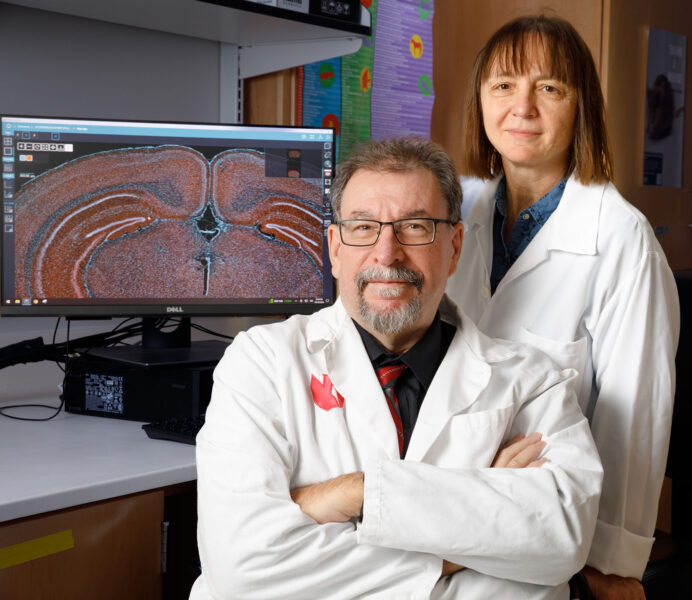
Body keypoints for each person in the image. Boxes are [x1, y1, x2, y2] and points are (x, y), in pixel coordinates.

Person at [190, 137, 603, 599]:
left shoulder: (532, 383)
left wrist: (354, 496)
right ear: (334, 247)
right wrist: (474, 538)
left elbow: (562, 539)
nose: (386, 254)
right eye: (363, 228)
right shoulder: (260, 363)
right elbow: (242, 568)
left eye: (414, 226)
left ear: (454, 246)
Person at [445, 15, 680, 599]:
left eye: (549, 88)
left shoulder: (621, 239)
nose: (522, 107)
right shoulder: (458, 211)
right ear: (480, 102)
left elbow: (635, 414)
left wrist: (611, 562)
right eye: (504, 86)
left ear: (582, 108)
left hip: (549, 515)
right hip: (451, 500)